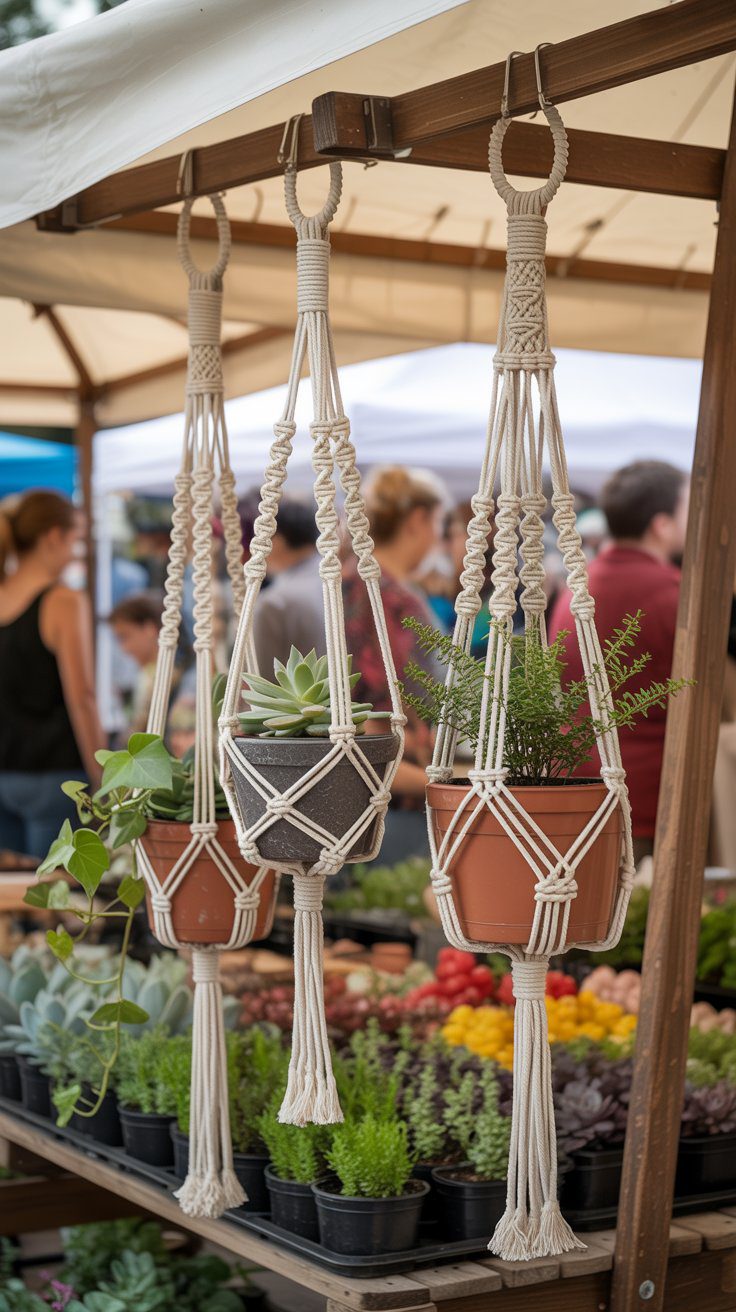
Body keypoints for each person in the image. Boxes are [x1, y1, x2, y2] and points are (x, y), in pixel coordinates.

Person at [549, 459, 689, 863]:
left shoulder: (580, 585)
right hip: (647, 796)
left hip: (578, 785)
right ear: (661, 524)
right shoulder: (673, 592)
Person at [343, 466, 447, 862]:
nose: (438, 537)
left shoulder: (351, 583)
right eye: (438, 523)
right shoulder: (392, 600)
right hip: (396, 802)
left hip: (360, 798)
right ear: (418, 520)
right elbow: (378, 716)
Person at [0, 491, 104, 857]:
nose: (77, 552)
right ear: (53, 537)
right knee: (58, 901)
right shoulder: (63, 601)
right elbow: (83, 698)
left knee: (14, 906)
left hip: (4, 774)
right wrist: (103, 780)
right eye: (76, 540)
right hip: (54, 778)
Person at [252, 498, 325, 676]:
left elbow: (264, 684)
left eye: (259, 537)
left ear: (276, 540)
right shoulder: (343, 582)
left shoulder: (274, 602)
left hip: (298, 704)